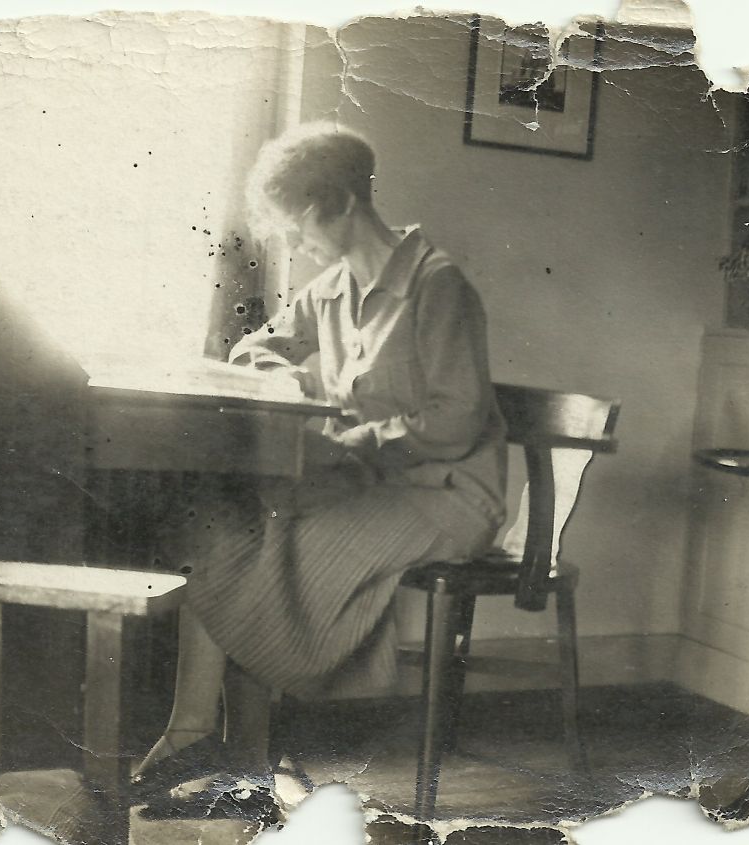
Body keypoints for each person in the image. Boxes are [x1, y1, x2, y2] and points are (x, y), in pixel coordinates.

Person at [133, 123, 507, 819]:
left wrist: (358, 431)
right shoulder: (329, 290)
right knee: (235, 523)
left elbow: (456, 420)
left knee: (282, 541)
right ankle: (204, 740)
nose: (292, 246)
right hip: (376, 482)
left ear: (339, 203)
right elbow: (255, 350)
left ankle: (233, 754)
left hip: (449, 492)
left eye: (297, 228)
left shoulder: (437, 285)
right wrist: (290, 379)